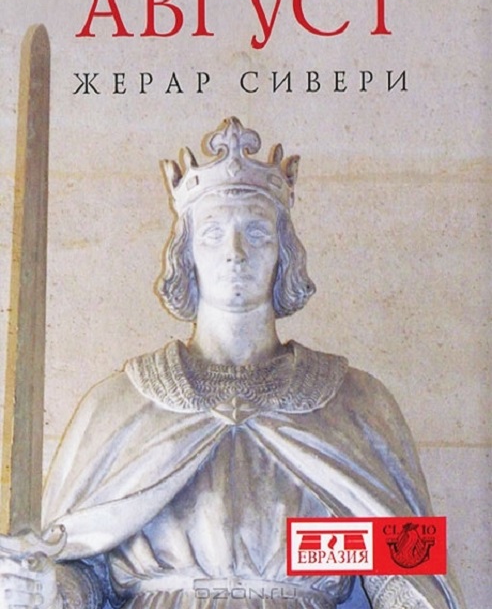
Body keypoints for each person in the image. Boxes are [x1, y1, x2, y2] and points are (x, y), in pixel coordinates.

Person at [0, 118, 464, 609]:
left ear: (285, 252)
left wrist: (408, 594)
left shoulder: (352, 402)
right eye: (214, 233)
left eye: (257, 232)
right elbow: (84, 572)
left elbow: (404, 566)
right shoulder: (119, 405)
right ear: (186, 254)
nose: (235, 253)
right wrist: (48, 588)